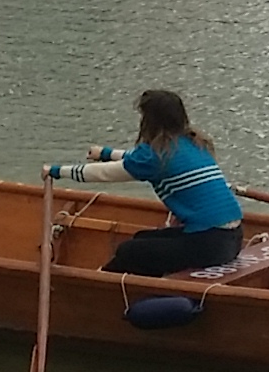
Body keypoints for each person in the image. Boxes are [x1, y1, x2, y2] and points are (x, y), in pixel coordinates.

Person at [95, 88, 245, 276]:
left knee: (130, 250)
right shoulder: (194, 143)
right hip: (233, 238)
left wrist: (57, 172)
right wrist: (106, 153)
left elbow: (108, 173)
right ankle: (146, 286)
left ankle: (99, 281)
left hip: (209, 244)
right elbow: (138, 161)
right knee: (143, 239)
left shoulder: (156, 154)